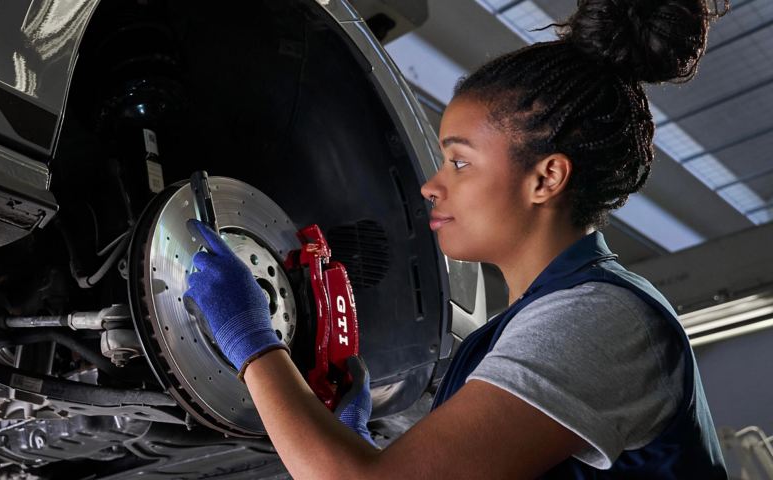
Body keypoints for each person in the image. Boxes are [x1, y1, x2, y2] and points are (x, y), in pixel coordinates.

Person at [184, 0, 730, 477]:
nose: (431, 185)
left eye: (460, 161)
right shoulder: (528, 327)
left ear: (546, 178)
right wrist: (366, 450)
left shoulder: (598, 320)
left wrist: (250, 338)